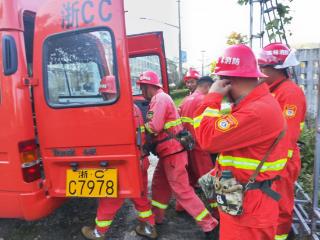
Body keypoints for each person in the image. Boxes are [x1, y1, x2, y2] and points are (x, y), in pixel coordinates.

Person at [194, 44, 289, 240]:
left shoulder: (256, 111)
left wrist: (212, 97)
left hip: (248, 211)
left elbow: (206, 139)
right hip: (246, 201)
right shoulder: (253, 104)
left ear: (228, 80)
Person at [137, 70, 219, 239]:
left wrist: (138, 129)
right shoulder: (162, 97)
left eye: (142, 88)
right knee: (159, 184)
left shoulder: (159, 99)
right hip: (169, 153)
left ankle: (209, 224)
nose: (141, 92)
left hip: (172, 153)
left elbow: (154, 127)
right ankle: (156, 217)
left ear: (147, 86)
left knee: (182, 191)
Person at [81, 76, 157, 240]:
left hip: (123, 164)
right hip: (140, 161)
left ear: (112, 93)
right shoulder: (133, 108)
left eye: (106, 95)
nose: (104, 98)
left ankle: (98, 232)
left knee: (110, 198)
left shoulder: (114, 110)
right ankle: (149, 228)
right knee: (141, 195)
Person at [258, 43, 307, 240]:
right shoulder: (273, 90)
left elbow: (287, 134)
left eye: (263, 68)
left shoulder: (289, 93)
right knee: (270, 204)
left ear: (275, 68)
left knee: (281, 205)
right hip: (273, 160)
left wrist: (276, 166)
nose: (260, 72)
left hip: (282, 162)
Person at [179, 76, 219, 217]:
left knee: (188, 178)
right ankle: (216, 210)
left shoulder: (186, 100)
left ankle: (181, 206)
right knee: (209, 181)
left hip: (187, 145)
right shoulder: (203, 100)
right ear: (208, 87)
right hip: (200, 147)